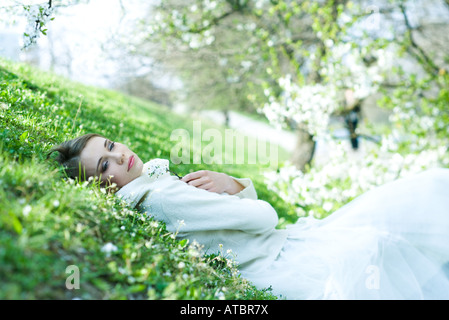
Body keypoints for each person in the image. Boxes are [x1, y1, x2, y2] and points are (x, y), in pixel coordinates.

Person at [49, 133, 449, 299]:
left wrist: (233, 186)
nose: (119, 156)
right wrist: (235, 188)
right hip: (281, 257)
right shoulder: (159, 194)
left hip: (277, 248)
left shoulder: (151, 188)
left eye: (112, 146)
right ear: (103, 187)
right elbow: (264, 218)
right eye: (104, 166)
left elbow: (231, 216)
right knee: (402, 215)